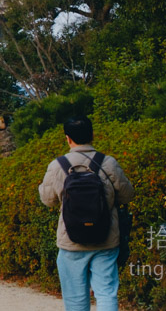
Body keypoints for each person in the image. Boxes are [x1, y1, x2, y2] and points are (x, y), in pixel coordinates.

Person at [38, 116, 134, 311]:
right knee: (106, 293)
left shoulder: (57, 166)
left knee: (75, 300)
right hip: (106, 239)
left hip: (71, 242)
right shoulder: (107, 163)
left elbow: (48, 200)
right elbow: (127, 195)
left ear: (68, 139)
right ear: (92, 135)